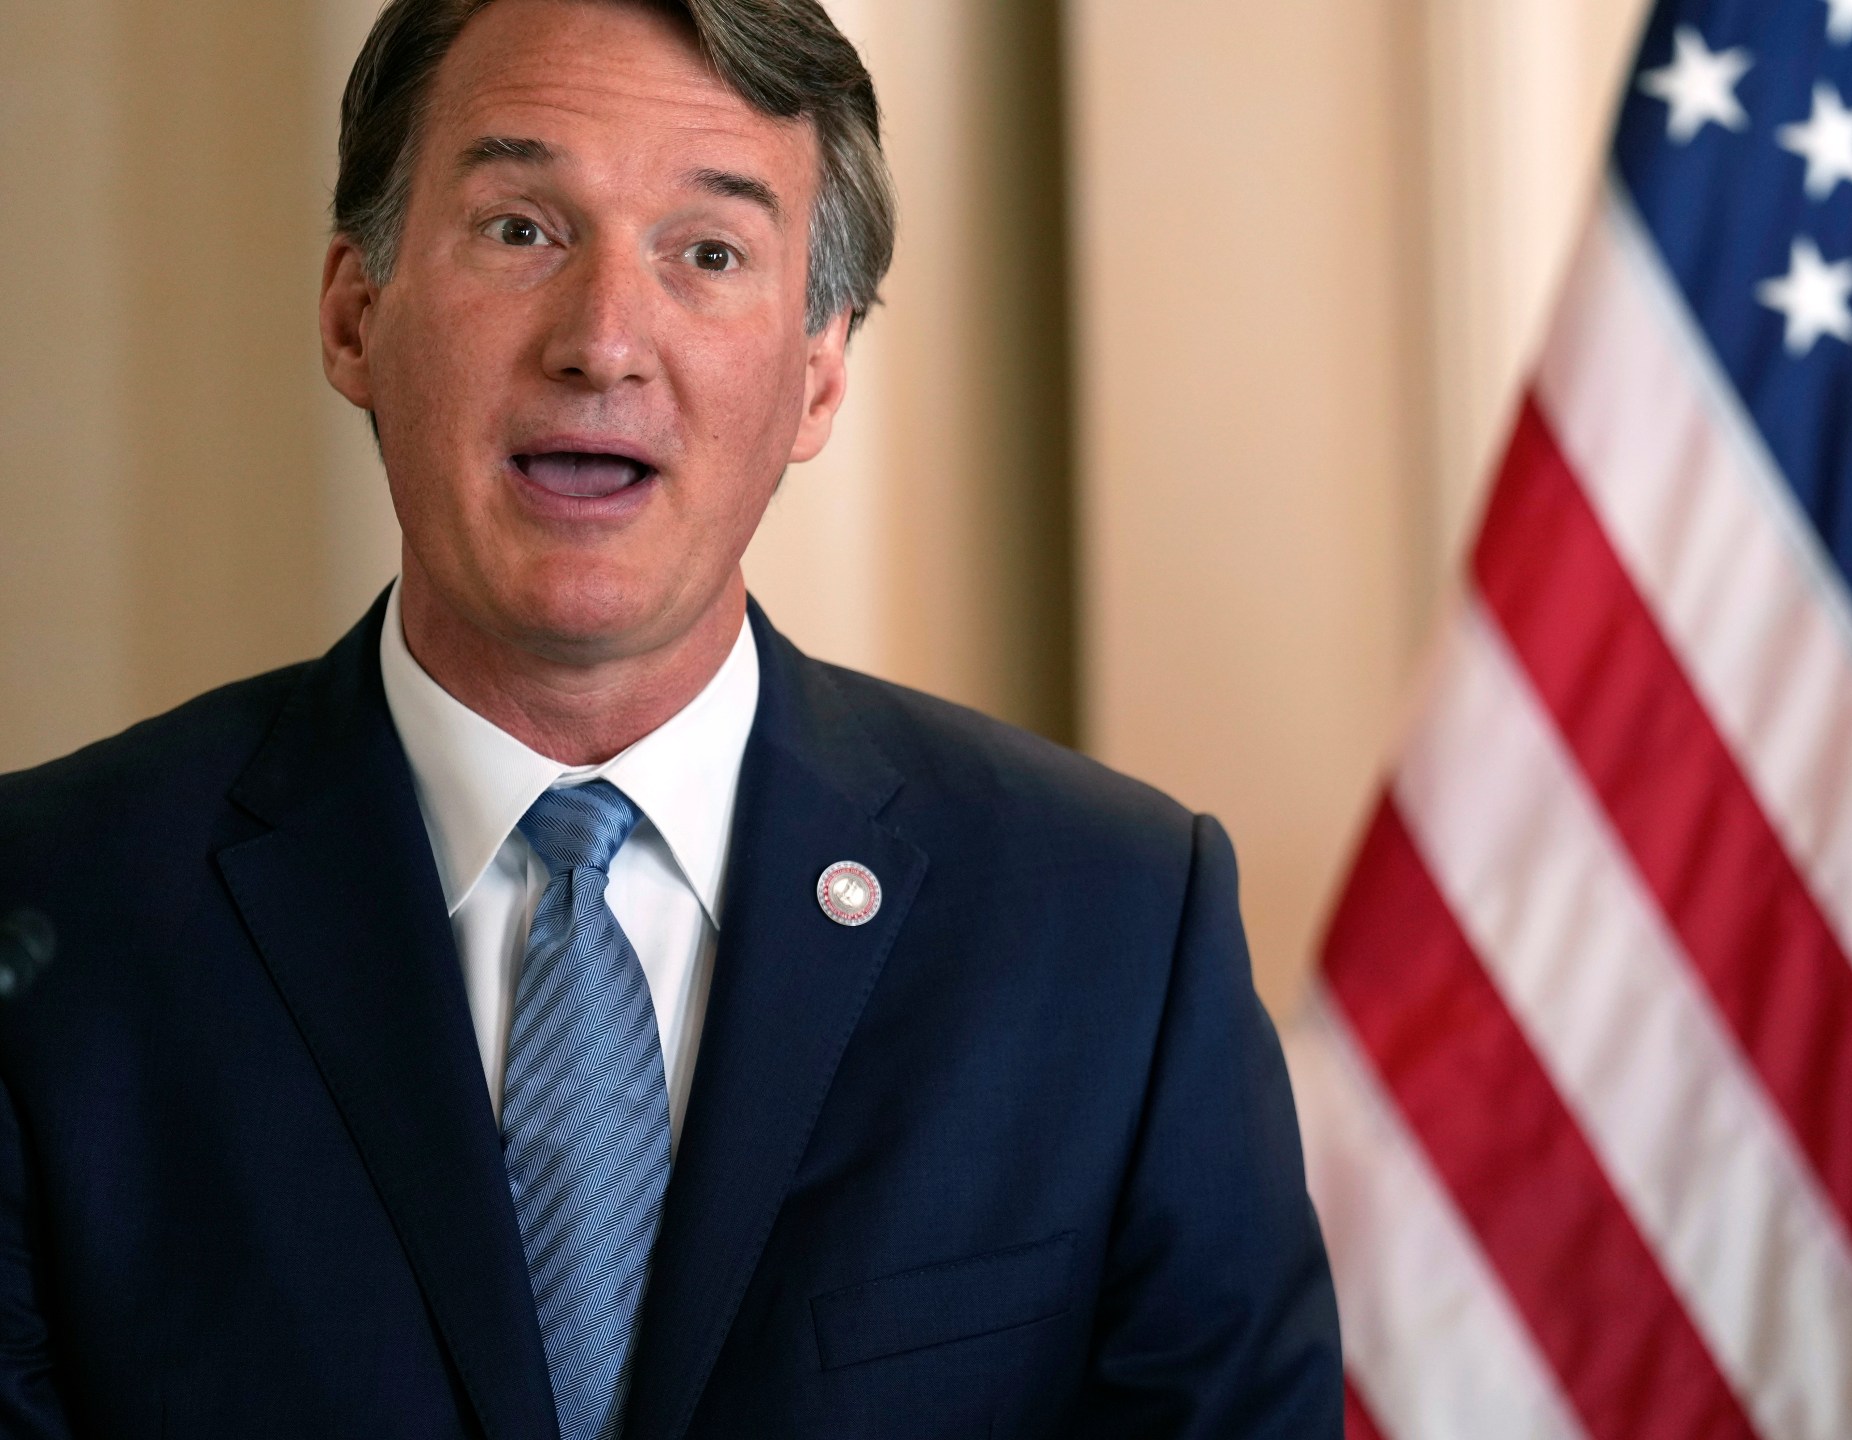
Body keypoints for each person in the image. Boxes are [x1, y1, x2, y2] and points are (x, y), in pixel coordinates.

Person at [0, 0, 1341, 1433]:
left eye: (708, 253)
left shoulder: (1115, 930)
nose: (604, 342)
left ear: (820, 369)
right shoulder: (56, 914)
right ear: (354, 313)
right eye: (522, 229)